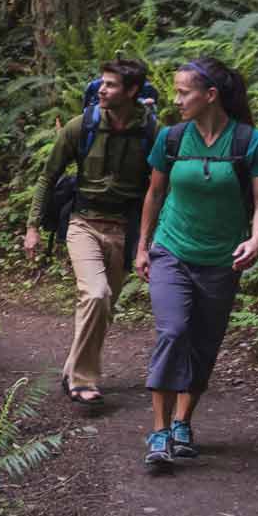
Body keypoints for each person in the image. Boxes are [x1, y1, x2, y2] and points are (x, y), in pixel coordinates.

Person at [134, 56, 258, 467]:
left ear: (210, 95)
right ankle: (159, 432)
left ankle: (183, 423)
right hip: (171, 251)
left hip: (221, 260)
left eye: (184, 92)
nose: (176, 100)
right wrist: (143, 246)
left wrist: (256, 238)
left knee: (203, 342)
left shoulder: (251, 142)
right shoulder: (172, 139)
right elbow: (154, 195)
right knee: (173, 331)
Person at [25, 59, 155, 405]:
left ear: (131, 91)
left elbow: (160, 188)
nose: (102, 88)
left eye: (111, 85)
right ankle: (83, 380)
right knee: (96, 294)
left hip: (124, 229)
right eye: (102, 82)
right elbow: (47, 177)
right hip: (83, 223)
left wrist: (150, 239)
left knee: (102, 307)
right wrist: (32, 226)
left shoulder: (150, 132)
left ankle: (72, 368)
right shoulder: (81, 126)